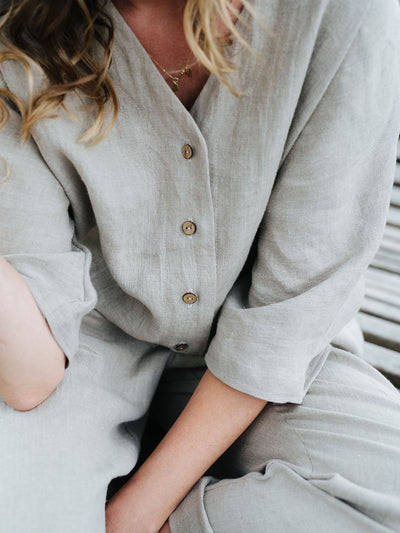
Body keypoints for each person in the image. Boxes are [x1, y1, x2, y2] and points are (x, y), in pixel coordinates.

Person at [0, 0, 400, 532]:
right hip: (86, 341)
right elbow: (31, 376)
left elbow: (290, 313)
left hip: (277, 350)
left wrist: (142, 514)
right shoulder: (20, 24)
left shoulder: (342, 12)